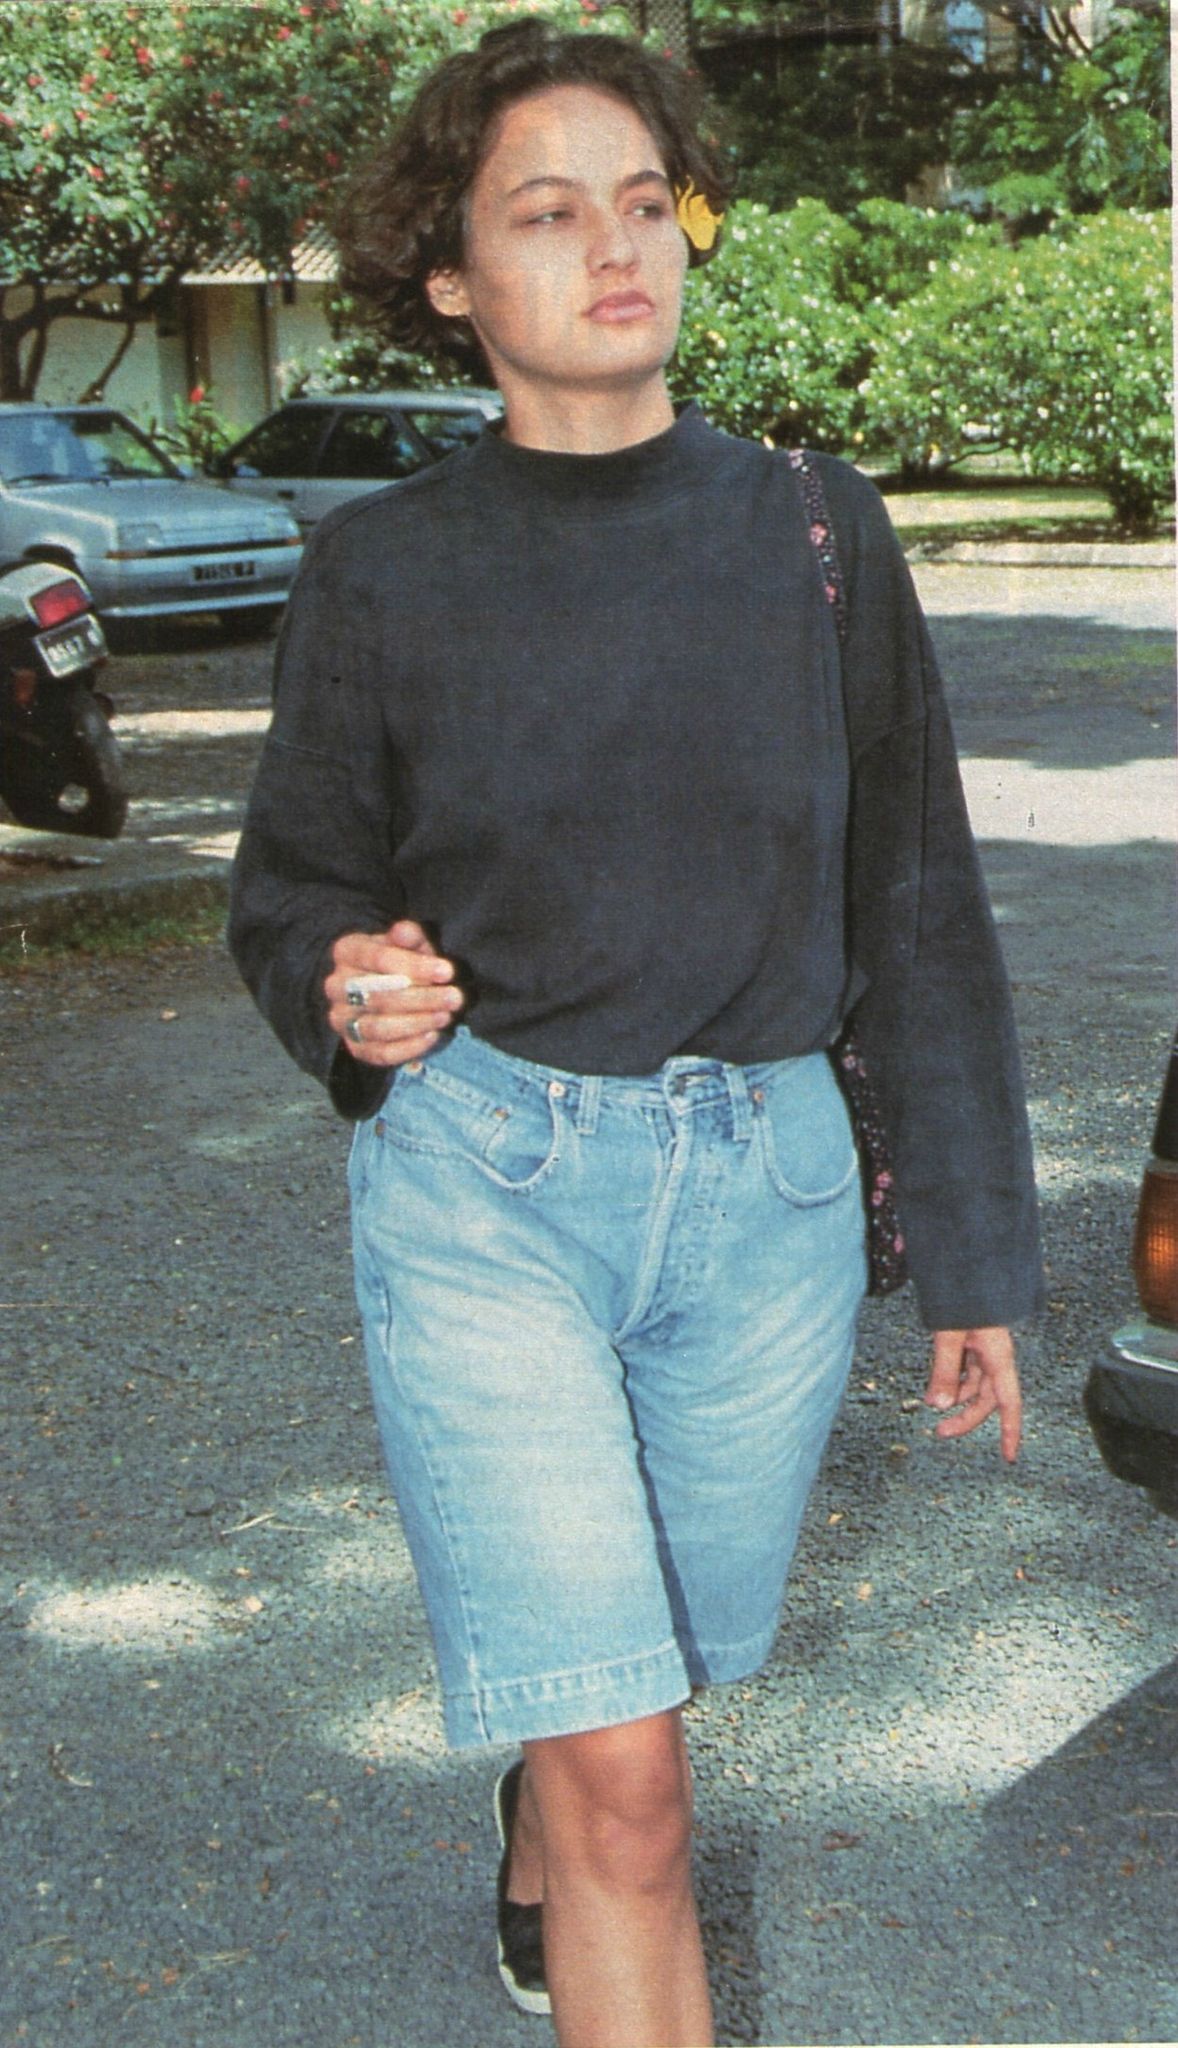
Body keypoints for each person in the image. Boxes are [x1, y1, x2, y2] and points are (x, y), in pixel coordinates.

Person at [228, 20, 1042, 2047]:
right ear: (447, 275)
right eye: (542, 209)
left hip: (760, 1203)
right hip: (488, 1192)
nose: (617, 245)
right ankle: (568, 1785)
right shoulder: (381, 568)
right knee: (640, 1793)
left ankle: (544, 1771)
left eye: (642, 201)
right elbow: (294, 882)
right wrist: (351, 980)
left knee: (634, 1698)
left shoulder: (817, 536)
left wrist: (971, 1247)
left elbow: (913, 905)